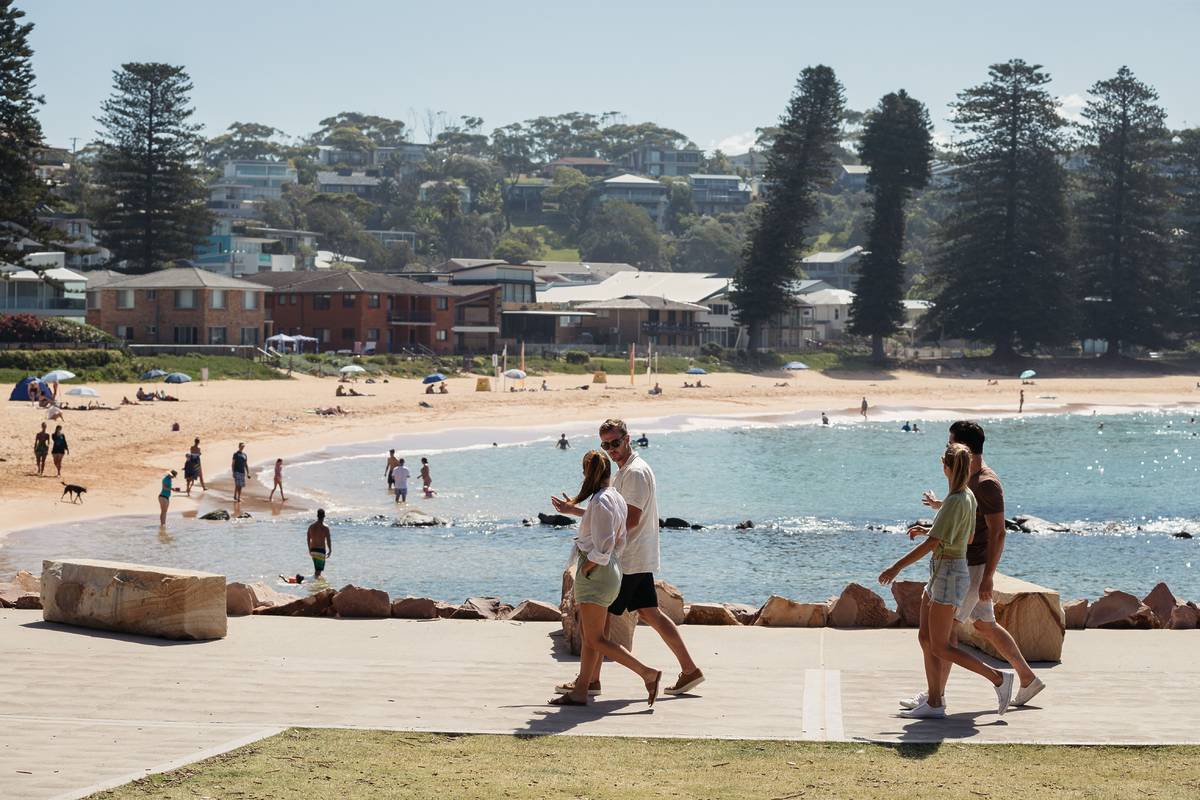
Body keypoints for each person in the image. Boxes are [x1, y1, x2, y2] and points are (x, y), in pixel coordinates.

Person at [551, 418, 704, 698]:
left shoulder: (634, 473)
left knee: (597, 626)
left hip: (627, 560)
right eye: (605, 445)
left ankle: (591, 682)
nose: (611, 449)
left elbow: (627, 521)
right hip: (634, 557)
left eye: (615, 443)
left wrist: (600, 556)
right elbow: (613, 518)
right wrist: (575, 512)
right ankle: (689, 670)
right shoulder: (627, 470)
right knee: (649, 613)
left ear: (628, 438)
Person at [905, 421, 1044, 711]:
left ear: (964, 448)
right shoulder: (969, 480)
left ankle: (936, 698)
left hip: (971, 569)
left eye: (950, 443)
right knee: (985, 624)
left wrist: (988, 578)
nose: (946, 449)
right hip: (965, 565)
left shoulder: (987, 483)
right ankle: (1028, 679)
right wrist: (938, 509)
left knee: (944, 635)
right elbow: (967, 511)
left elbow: (998, 532)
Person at [878, 442, 1014, 719]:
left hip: (948, 574)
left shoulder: (955, 501)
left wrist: (896, 567)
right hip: (945, 571)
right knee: (925, 637)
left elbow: (934, 543)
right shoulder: (966, 497)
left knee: (941, 644)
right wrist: (932, 529)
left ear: (946, 468)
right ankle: (933, 700)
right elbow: (969, 536)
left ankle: (998, 679)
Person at [549, 449, 662, 707]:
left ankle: (647, 673)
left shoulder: (600, 501)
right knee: (592, 636)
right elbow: (618, 541)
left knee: (596, 638)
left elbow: (604, 545)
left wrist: (588, 567)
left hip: (598, 573)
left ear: (588, 473)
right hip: (610, 571)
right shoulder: (615, 497)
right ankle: (582, 689)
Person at [307, 508, 331, 579]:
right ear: (324, 516)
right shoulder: (325, 528)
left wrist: (309, 549)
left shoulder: (311, 527)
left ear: (317, 516)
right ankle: (315, 586)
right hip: (321, 551)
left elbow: (308, 539)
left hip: (313, 550)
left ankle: (314, 584)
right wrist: (330, 550)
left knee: (317, 570)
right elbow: (328, 540)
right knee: (318, 572)